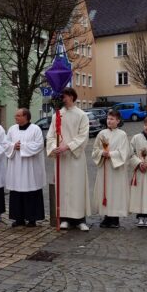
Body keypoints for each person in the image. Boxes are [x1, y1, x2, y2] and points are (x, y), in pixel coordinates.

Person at [46, 87, 91, 231]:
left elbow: (83, 136)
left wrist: (68, 147)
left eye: (64, 96)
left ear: (71, 97)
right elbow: (51, 135)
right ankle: (64, 218)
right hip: (62, 159)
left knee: (77, 187)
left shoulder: (82, 115)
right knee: (63, 187)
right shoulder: (57, 115)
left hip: (75, 157)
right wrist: (54, 147)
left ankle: (79, 219)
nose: (62, 99)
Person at [4, 108, 46, 227]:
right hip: (16, 166)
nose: (15, 117)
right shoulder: (12, 129)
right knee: (16, 192)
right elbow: (6, 144)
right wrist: (13, 146)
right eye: (15, 115)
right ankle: (19, 219)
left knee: (31, 191)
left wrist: (22, 146)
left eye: (18, 115)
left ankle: (32, 218)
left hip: (30, 168)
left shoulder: (35, 129)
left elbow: (39, 145)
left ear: (26, 117)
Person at [91, 109, 130, 228]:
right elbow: (95, 150)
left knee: (115, 192)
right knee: (105, 191)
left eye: (112, 119)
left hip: (116, 169)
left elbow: (124, 152)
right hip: (104, 166)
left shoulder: (122, 134)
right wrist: (102, 153)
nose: (109, 121)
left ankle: (115, 218)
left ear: (118, 121)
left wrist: (111, 154)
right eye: (108, 118)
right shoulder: (102, 133)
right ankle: (106, 216)